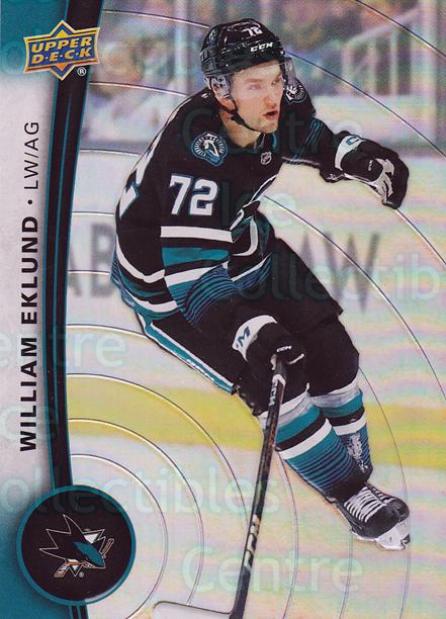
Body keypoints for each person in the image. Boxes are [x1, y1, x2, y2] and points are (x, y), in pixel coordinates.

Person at [112, 19, 410, 550]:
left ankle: (350, 474)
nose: (273, 94)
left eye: (276, 77)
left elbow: (300, 132)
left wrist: (351, 156)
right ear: (220, 91)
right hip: (168, 287)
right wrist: (250, 330)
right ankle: (350, 491)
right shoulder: (194, 156)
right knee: (275, 380)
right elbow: (194, 281)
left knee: (334, 354)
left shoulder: (273, 100)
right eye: (256, 84)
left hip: (244, 246)